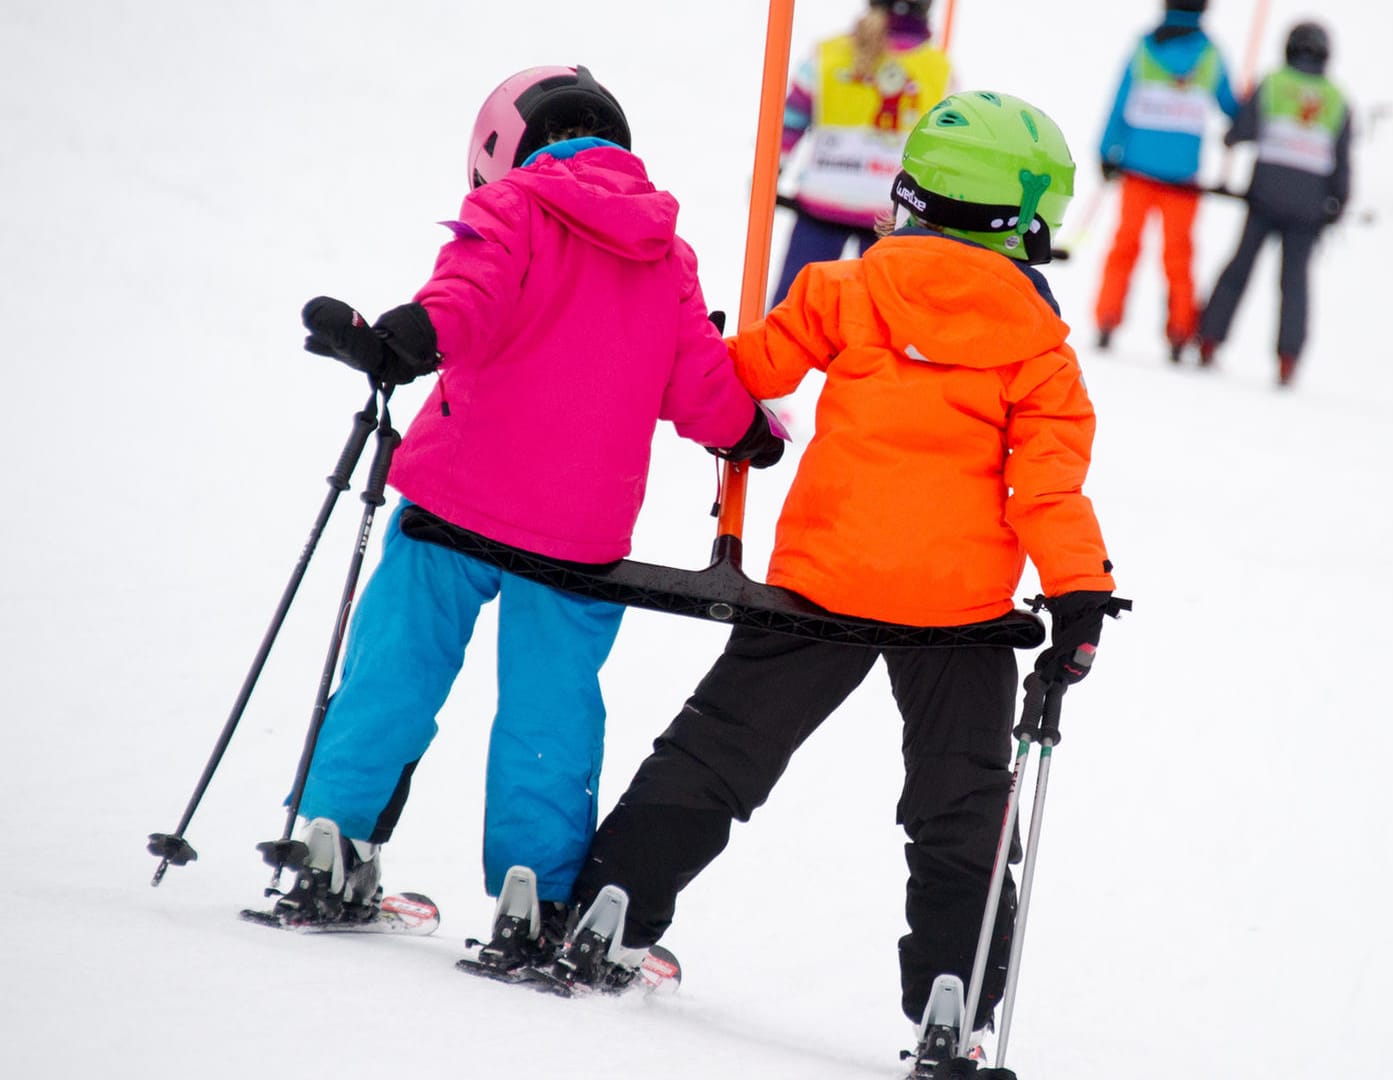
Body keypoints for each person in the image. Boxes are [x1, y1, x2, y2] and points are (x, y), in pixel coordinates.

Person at [526, 91, 1122, 1071]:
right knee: (960, 804)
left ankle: (611, 905)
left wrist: (707, 359)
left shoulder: (848, 287)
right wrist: (1079, 599)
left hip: (824, 584)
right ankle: (952, 997)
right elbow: (1046, 492)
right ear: (1021, 218)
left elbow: (747, 372)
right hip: (958, 613)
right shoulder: (1042, 354)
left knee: (721, 751)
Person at [278, 65, 785, 950]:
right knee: (551, 705)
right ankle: (533, 893)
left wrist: (404, 338)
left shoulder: (511, 209)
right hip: (577, 535)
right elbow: (699, 381)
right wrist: (747, 431)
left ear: (499, 150)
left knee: (396, 669)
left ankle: (331, 840)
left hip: (451, 503)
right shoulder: (665, 252)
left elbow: (461, 302)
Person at [1195, 22, 1352, 387]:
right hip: (1309, 208)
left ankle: (1209, 338)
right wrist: (1338, 203)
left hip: (1265, 198)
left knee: (1239, 269)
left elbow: (1243, 130)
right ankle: (1288, 357)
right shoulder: (1336, 98)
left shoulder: (1274, 83)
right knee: (1294, 283)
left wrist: (1232, 136)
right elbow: (1342, 160)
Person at [771, 0, 952, 305]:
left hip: (823, 200)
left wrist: (774, 169)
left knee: (795, 305)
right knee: (879, 314)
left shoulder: (829, 54)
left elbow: (791, 119)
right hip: (892, 213)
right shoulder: (939, 69)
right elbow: (947, 145)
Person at [1092, 0, 1239, 362]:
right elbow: (1232, 108)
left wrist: (1107, 149)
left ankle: (1107, 319)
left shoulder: (1144, 47)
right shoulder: (1210, 56)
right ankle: (1179, 329)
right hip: (1182, 178)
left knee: (1124, 245)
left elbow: (1121, 100)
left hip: (1137, 168)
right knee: (1179, 254)